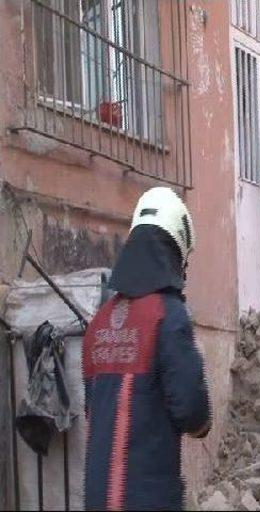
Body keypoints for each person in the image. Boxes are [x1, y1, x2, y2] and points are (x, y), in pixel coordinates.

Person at [82, 187, 211, 510]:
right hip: (148, 497)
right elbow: (192, 412)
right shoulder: (168, 316)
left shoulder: (99, 321)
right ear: (175, 250)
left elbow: (91, 408)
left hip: (97, 498)